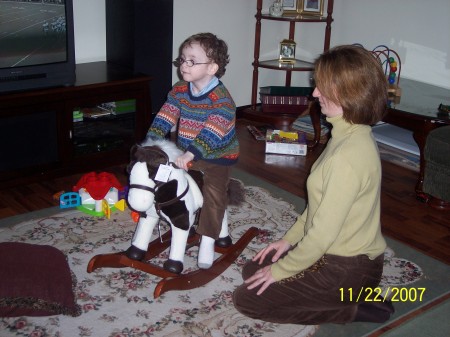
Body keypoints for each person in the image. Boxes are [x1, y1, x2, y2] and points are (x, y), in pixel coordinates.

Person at [233, 45, 394, 324]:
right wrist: (288, 241)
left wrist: (280, 272)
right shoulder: (348, 133)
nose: (315, 93)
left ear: (348, 93)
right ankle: (352, 294)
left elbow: (321, 236)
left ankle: (353, 307)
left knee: (246, 300)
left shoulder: (348, 156)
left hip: (347, 268)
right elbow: (319, 208)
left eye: (322, 87)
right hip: (343, 259)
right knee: (254, 270)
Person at [146, 32, 239, 269]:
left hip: (218, 156)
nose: (184, 65)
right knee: (166, 179)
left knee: (214, 194)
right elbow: (166, 115)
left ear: (212, 68)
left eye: (192, 61)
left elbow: (211, 132)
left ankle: (208, 239)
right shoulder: (180, 90)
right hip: (187, 151)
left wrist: (189, 154)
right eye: (182, 59)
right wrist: (151, 142)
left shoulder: (222, 100)